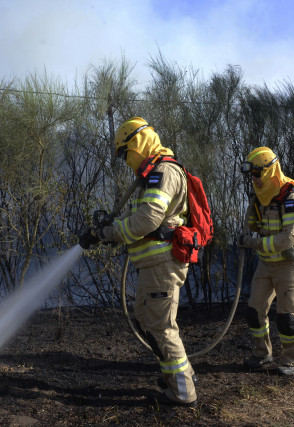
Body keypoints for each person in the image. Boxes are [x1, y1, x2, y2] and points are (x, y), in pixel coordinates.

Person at [82, 117, 197, 405]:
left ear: (137, 143)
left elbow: (147, 220)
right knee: (146, 320)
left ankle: (183, 392)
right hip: (150, 266)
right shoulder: (149, 176)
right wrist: (103, 231)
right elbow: (137, 219)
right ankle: (177, 374)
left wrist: (110, 232)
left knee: (162, 327)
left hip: (163, 265)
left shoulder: (164, 172)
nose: (124, 160)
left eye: (124, 153)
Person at [238, 146, 294, 376]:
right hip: (265, 264)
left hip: (287, 266)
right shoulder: (260, 197)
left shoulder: (291, 198)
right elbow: (252, 226)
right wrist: (254, 204)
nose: (255, 179)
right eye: (252, 175)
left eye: (258, 174)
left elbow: (288, 237)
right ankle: (262, 353)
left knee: (287, 317)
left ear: (270, 171)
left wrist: (253, 243)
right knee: (254, 311)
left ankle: (290, 360)